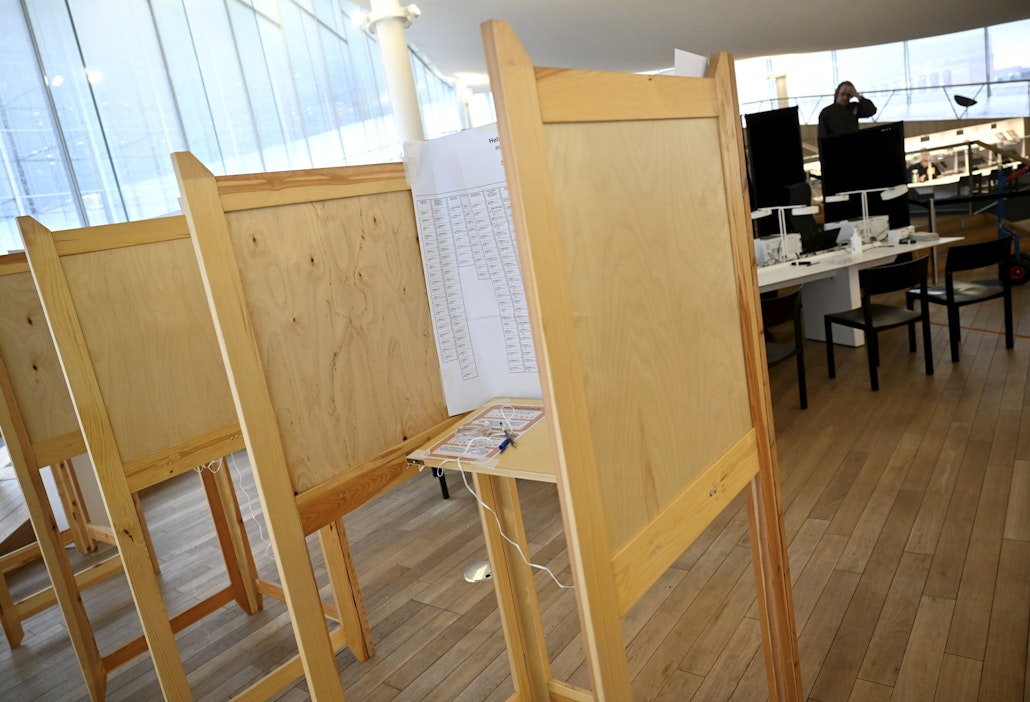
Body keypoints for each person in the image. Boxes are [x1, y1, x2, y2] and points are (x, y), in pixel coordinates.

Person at [817, 81, 877, 156]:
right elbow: (822, 137)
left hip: (854, 149)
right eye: (842, 94)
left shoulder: (854, 107)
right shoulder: (826, 112)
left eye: (848, 95)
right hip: (836, 152)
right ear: (837, 94)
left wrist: (857, 95)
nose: (845, 97)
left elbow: (871, 110)